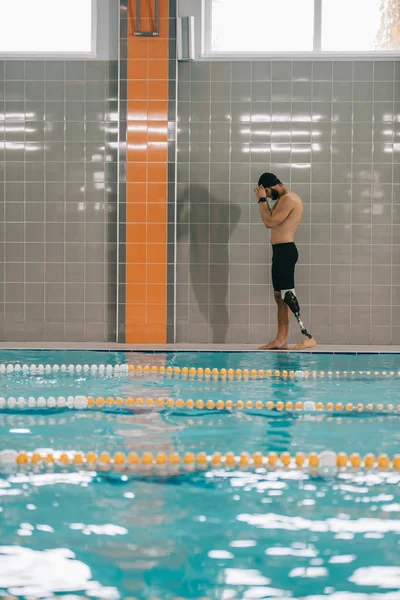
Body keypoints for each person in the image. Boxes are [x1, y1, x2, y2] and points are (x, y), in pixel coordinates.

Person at [254, 172, 316, 351]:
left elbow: (269, 221)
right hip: (279, 251)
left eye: (267, 192)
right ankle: (280, 339)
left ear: (272, 186)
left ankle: (282, 339)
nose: (268, 197)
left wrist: (261, 200)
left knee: (286, 296)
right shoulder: (283, 199)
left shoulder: (289, 199)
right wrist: (263, 199)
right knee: (279, 297)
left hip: (285, 251)